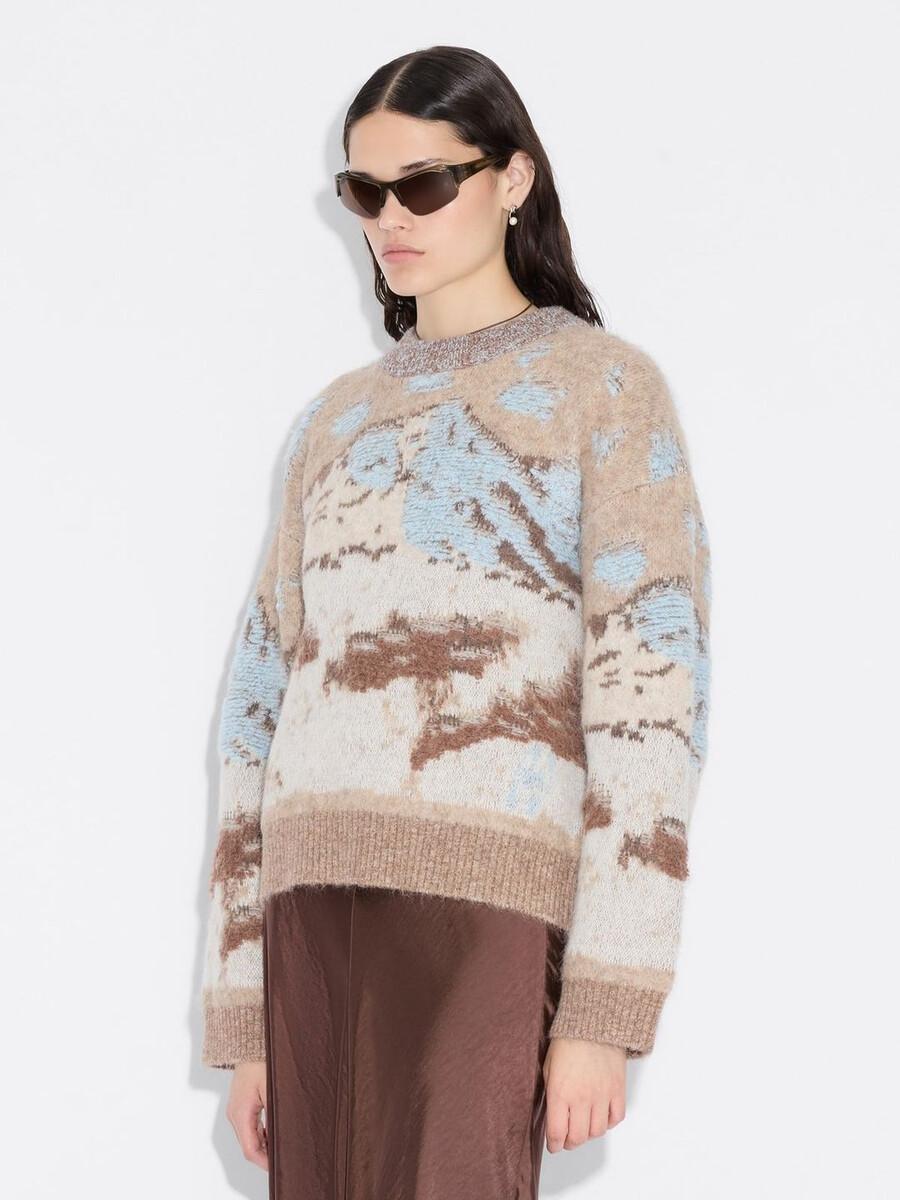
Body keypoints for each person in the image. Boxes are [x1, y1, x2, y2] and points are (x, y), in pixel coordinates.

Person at [200, 44, 712, 1200]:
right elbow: (255, 714)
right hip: (311, 911)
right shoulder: (333, 422)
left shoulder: (605, 391)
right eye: (364, 191)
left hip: (490, 910)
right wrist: (243, 1019)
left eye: (425, 183)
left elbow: (651, 702)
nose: (391, 218)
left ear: (512, 177)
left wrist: (604, 1006)